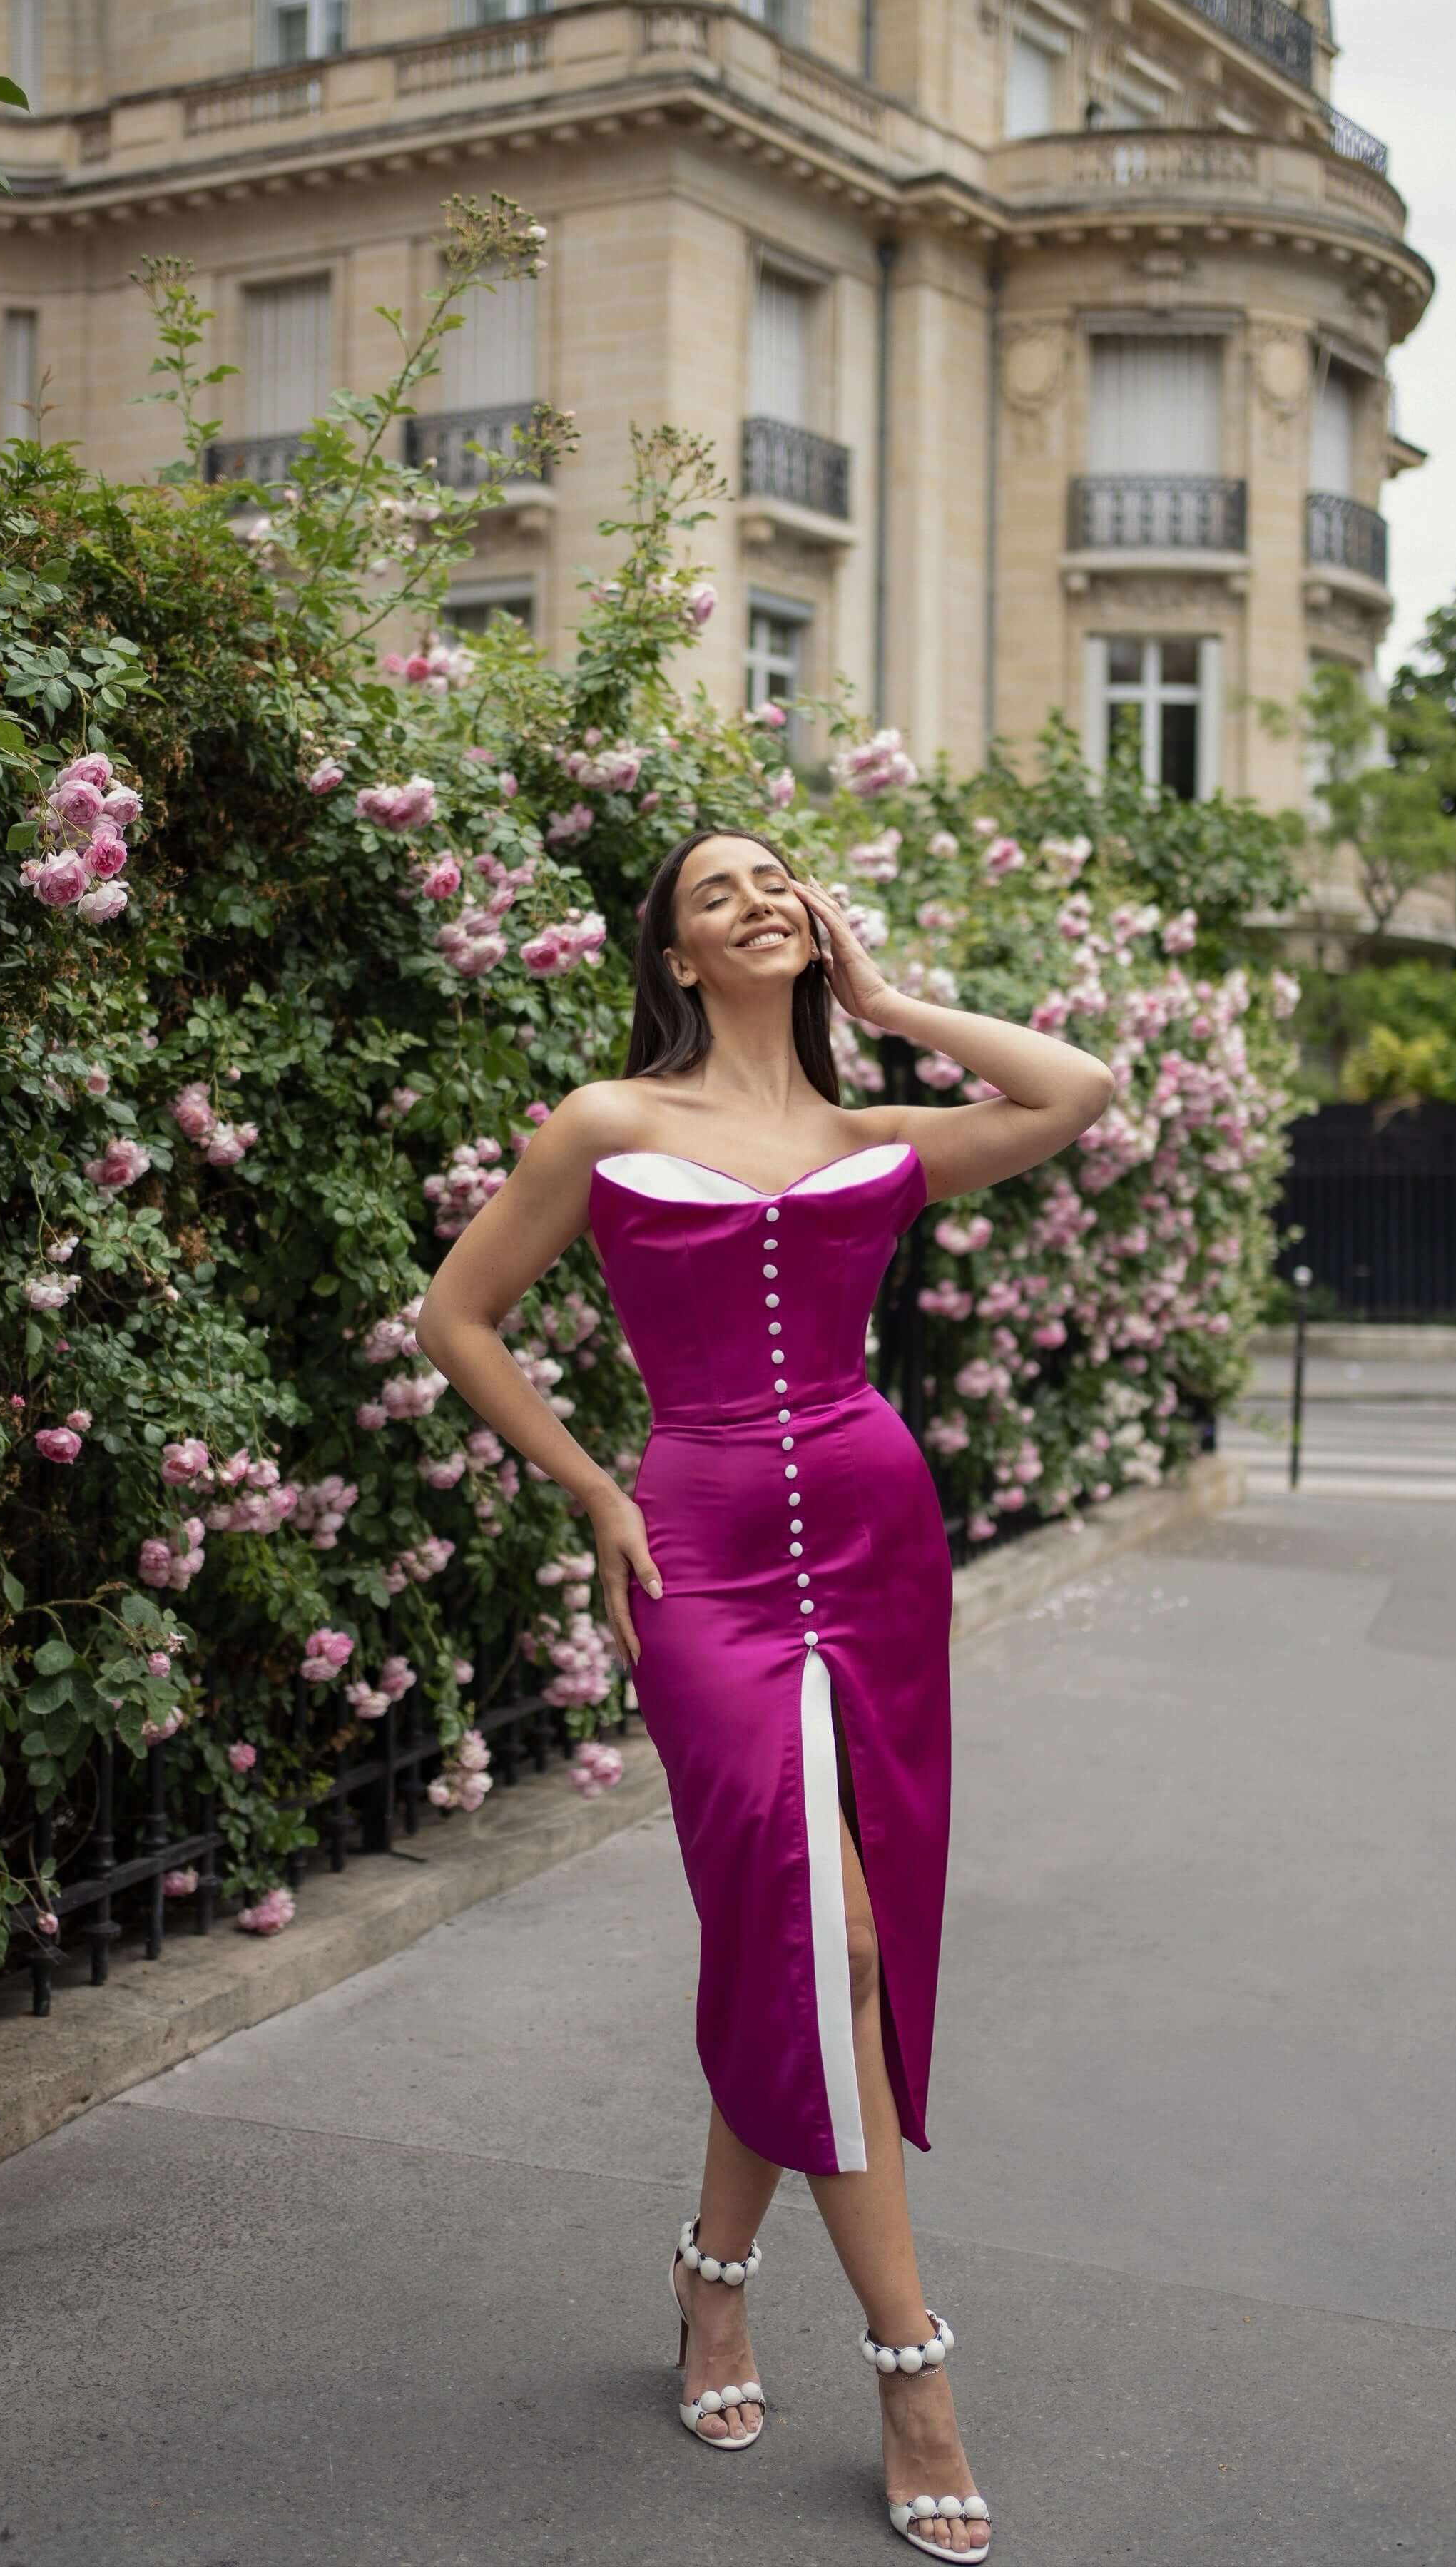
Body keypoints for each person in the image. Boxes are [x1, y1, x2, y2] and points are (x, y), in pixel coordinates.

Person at [417, 828, 1112, 2557]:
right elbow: (459, 1319)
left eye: (780, 881)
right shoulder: (607, 1125)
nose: (759, 899)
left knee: (808, 1940)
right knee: (834, 1938)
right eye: (717, 890)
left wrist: (884, 1001)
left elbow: (1076, 1086)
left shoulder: (875, 1136)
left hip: (877, 1545)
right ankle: (910, 2360)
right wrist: (594, 1491)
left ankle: (714, 2277)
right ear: (672, 951)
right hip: (702, 1558)